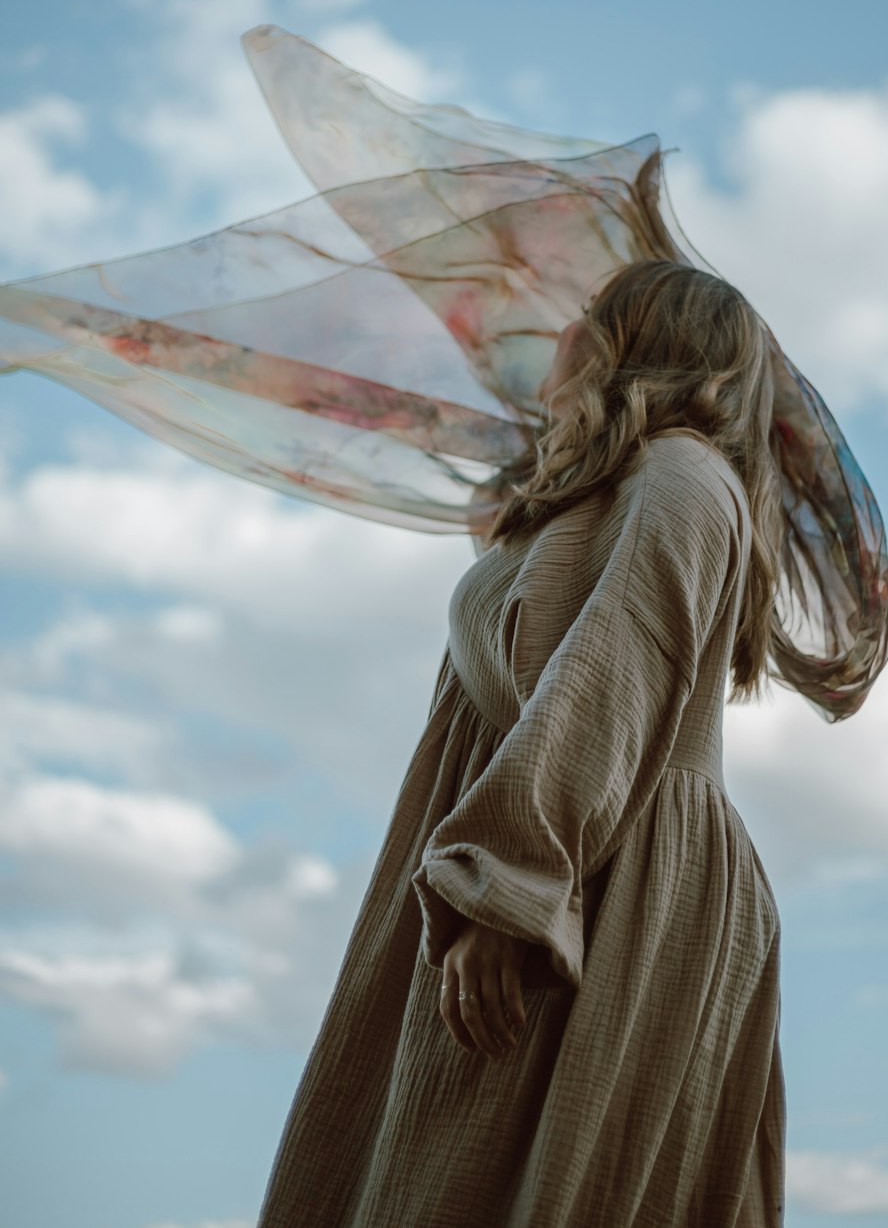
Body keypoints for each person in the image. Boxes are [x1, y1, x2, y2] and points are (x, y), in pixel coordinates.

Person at [254, 257, 787, 1228]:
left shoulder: (684, 474)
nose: (563, 330)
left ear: (638, 339)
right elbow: (538, 650)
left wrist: (509, 886)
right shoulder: (597, 496)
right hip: (547, 854)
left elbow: (616, 672)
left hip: (587, 867)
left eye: (589, 312)